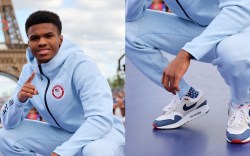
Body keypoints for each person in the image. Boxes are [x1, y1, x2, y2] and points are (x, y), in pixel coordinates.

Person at [0, 10, 125, 156]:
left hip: (102, 135)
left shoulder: (81, 64)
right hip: (65, 135)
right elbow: (8, 124)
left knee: (94, 151)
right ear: (28, 43)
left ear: (60, 39)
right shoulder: (28, 71)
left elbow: (100, 119)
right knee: (5, 137)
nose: (41, 42)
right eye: (35, 38)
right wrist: (18, 100)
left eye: (48, 36)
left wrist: (61, 153)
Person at [126, 0, 250, 143]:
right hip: (197, 28)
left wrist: (187, 53)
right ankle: (189, 97)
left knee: (233, 55)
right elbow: (130, 16)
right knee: (128, 31)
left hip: (241, 27)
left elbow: (239, 9)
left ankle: (242, 103)